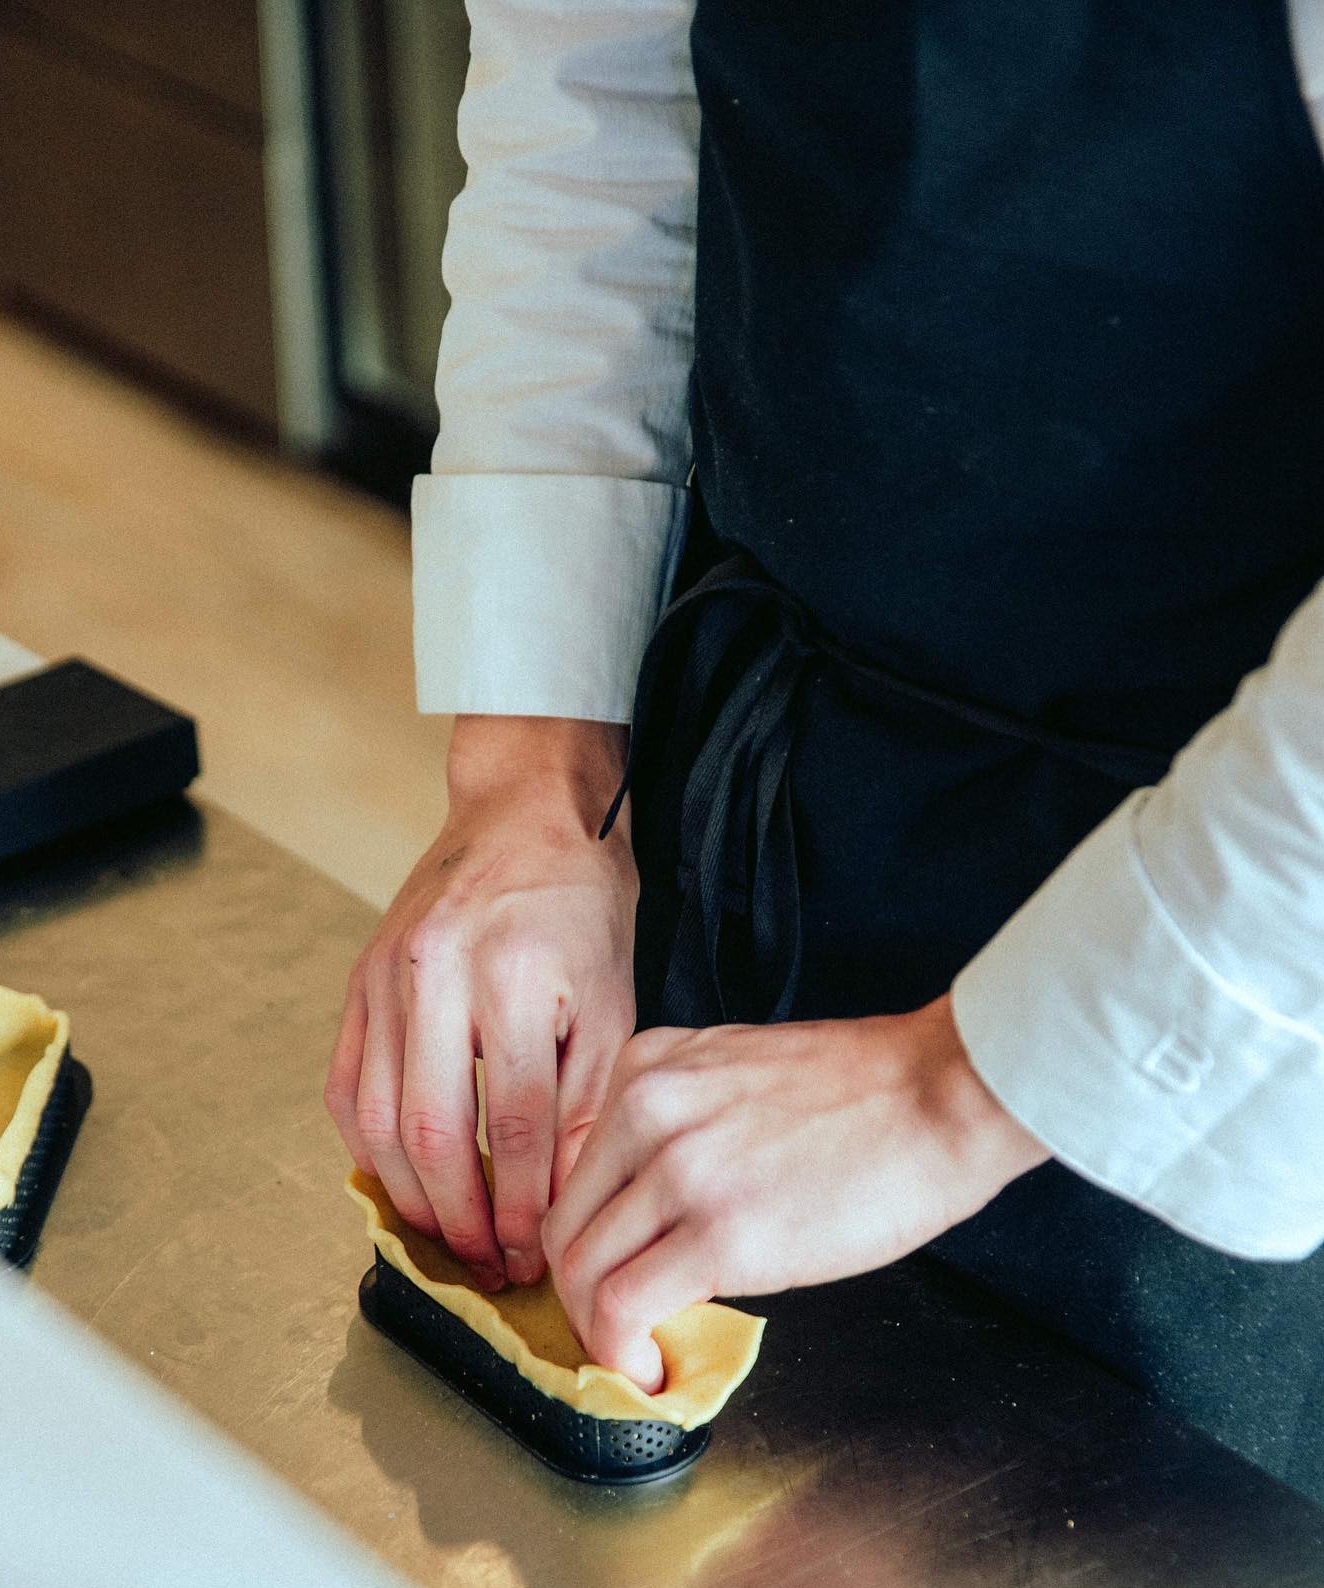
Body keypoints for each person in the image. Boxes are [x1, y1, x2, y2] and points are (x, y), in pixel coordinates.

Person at [329, 1, 1324, 1500]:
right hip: (781, 796)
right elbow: (594, 97)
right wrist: (529, 780)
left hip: (1241, 972)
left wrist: (952, 1094)